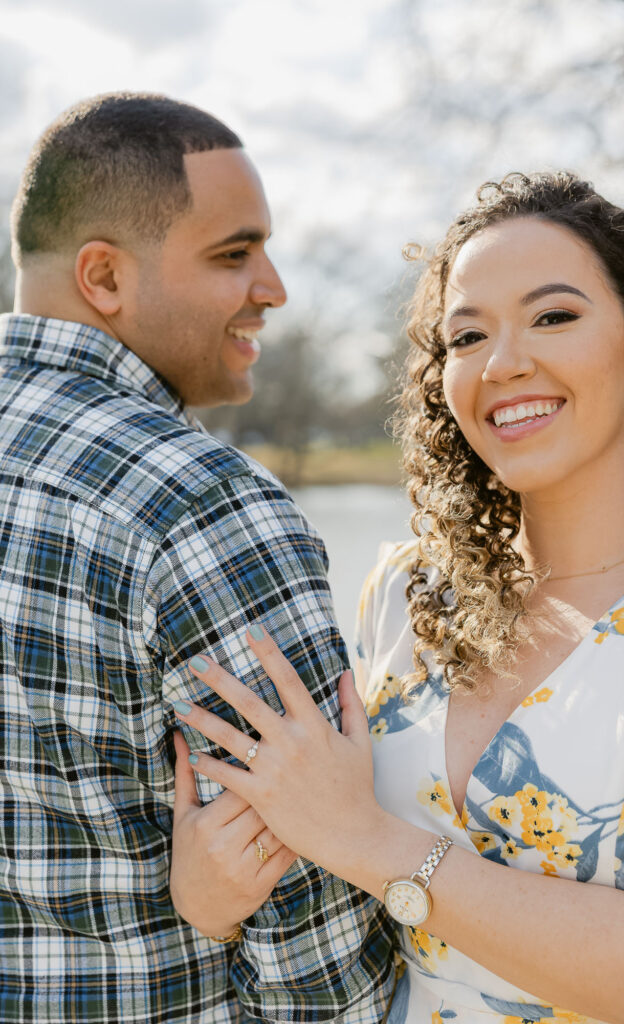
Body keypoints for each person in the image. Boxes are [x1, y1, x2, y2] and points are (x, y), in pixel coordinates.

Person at [171, 172, 624, 1023]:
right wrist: (212, 894)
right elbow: (332, 860)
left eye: (553, 316)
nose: (503, 362)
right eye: (466, 336)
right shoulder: (407, 595)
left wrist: (369, 843)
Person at [0, 92, 395, 1024]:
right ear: (104, 276)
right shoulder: (199, 506)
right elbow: (317, 949)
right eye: (234, 254)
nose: (275, 287)